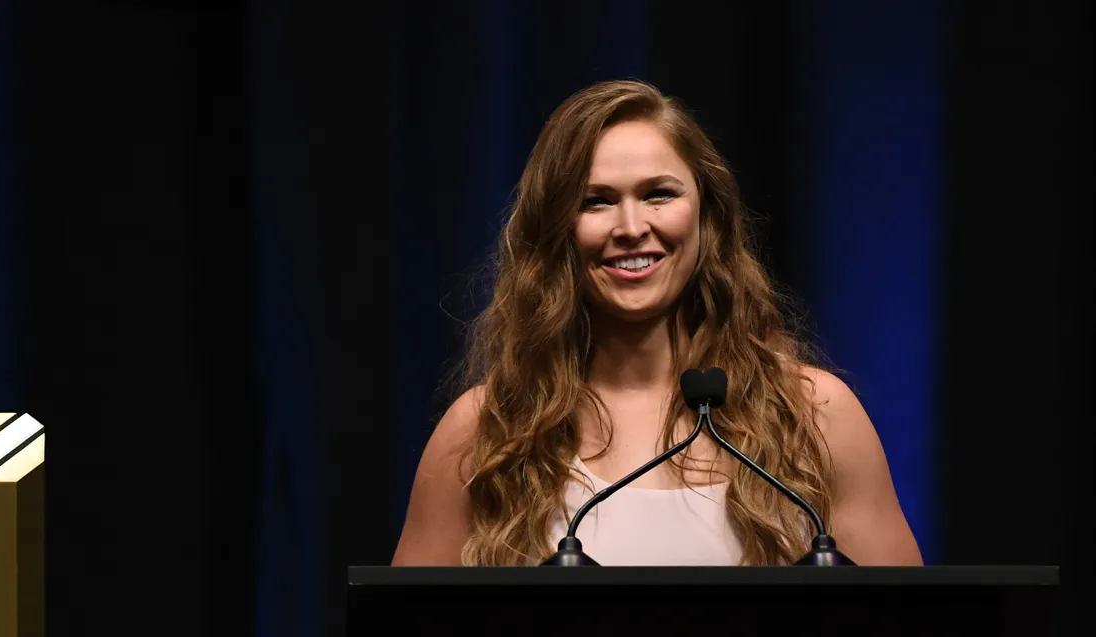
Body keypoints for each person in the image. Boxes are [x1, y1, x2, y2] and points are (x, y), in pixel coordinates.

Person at [391, 79, 923, 567]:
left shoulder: (814, 415)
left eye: (658, 195)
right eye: (595, 202)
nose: (631, 227)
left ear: (707, 216)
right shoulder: (489, 428)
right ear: (556, 231)